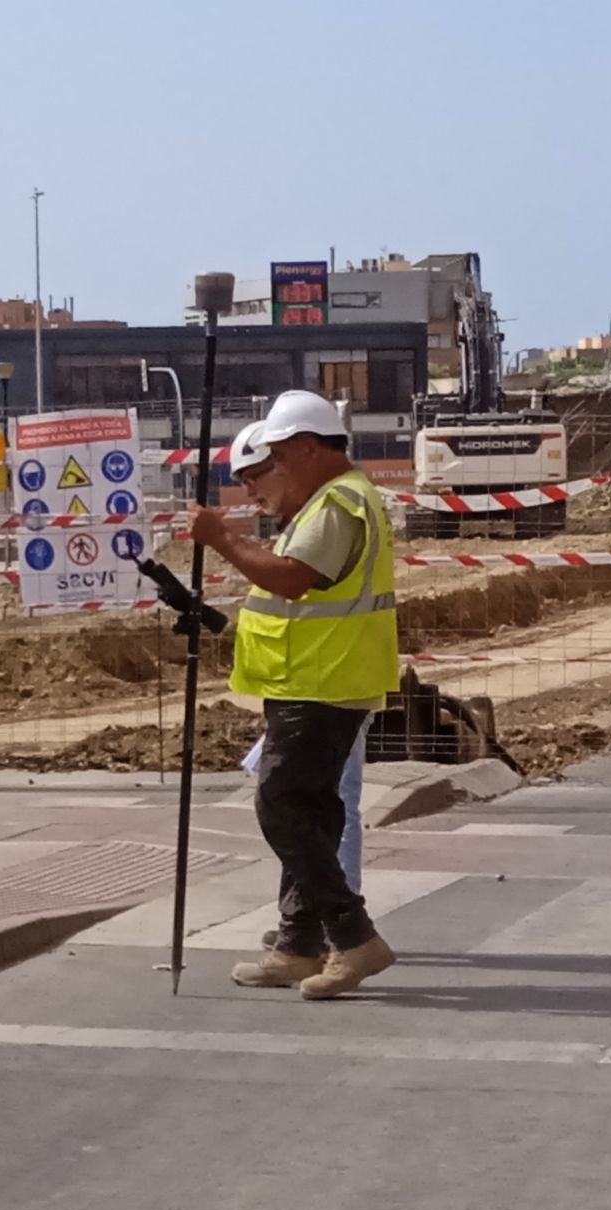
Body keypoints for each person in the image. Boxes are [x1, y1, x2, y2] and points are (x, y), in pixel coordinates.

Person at [189, 392, 400, 999]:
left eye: (277, 458)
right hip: (315, 678)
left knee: (281, 805)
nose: (273, 471)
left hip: (323, 680)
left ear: (308, 448)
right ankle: (299, 943)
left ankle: (353, 937)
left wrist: (222, 540)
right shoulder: (328, 503)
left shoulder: (339, 503)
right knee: (312, 812)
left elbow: (293, 579)